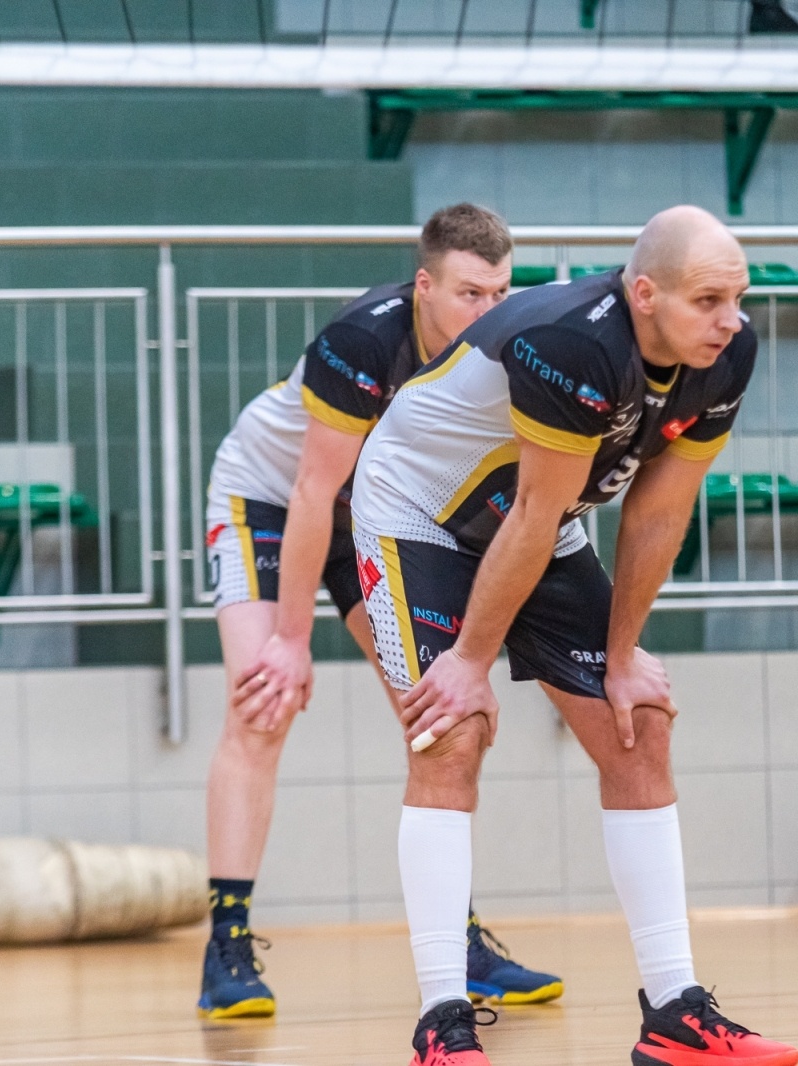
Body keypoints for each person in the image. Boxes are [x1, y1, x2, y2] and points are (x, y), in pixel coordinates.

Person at [350, 205, 798, 1066]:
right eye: (709, 300)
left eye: (738, 299)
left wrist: (623, 658)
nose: (731, 320)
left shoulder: (727, 355)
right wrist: (470, 663)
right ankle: (441, 1023)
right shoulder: (576, 344)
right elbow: (531, 510)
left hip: (536, 520)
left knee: (640, 726)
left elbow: (659, 511)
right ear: (645, 294)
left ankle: (674, 1014)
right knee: (450, 731)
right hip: (420, 514)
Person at [200, 204, 563, 1019]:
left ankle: (457, 942)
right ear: (424, 285)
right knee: (261, 706)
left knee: (440, 720)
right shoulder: (364, 337)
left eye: (501, 292)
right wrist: (291, 640)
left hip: (381, 512)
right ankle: (226, 949)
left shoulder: (510, 345)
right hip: (272, 499)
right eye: (470, 293)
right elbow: (311, 489)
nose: (490, 310)